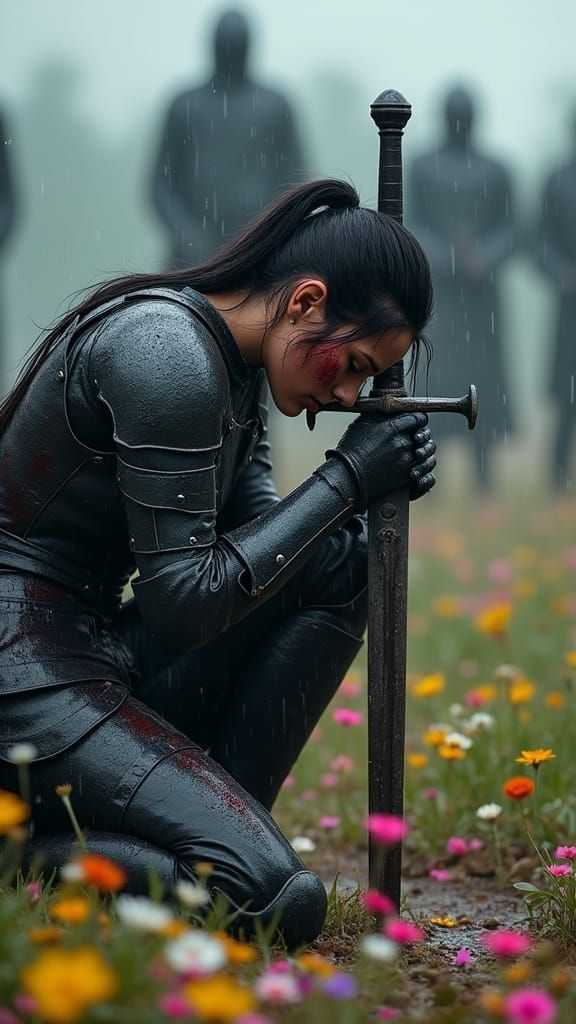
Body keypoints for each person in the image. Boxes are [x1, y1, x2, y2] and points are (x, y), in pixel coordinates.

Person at [0, 179, 436, 948]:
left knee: (342, 564)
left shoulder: (235, 372)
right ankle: (23, 864)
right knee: (272, 902)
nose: (347, 393)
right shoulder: (164, 351)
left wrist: (367, 491)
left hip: (97, 659)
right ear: (305, 302)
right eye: (355, 365)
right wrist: (346, 480)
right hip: (23, 682)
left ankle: (217, 823)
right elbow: (186, 605)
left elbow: (267, 554)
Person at [407, 86, 516, 489]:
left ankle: (484, 477)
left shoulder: (495, 169)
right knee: (435, 380)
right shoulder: (423, 166)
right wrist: (448, 256)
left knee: (482, 383)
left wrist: (484, 256)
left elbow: (512, 227)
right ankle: (426, 476)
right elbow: (411, 220)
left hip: (481, 298)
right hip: (440, 299)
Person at [151, 8, 307, 267]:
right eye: (227, 44)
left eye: (236, 44)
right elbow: (160, 186)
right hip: (191, 258)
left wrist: (268, 233)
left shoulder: (275, 106)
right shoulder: (186, 106)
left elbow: (296, 182)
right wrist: (187, 232)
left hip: (259, 254)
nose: (231, 52)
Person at [532, 110, 576, 490]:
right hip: (570, 305)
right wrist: (562, 273)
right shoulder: (558, 179)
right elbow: (539, 240)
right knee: (567, 394)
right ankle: (557, 476)